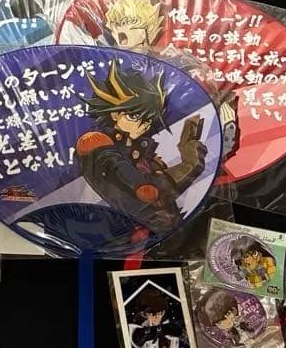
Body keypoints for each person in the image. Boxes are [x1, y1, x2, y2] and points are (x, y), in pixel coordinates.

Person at [77, 61, 207, 232]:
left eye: (148, 120)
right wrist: (189, 164)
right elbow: (120, 170)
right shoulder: (95, 142)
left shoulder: (141, 150)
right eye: (134, 116)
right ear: (115, 114)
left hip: (168, 230)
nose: (143, 126)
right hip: (125, 233)